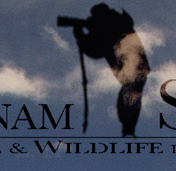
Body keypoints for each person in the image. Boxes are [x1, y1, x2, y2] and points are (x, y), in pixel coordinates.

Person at [57, 4, 150, 137]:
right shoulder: (118, 22)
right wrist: (83, 36)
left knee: (130, 94)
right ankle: (128, 128)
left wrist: (81, 37)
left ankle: (128, 128)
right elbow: (96, 49)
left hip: (133, 66)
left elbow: (95, 50)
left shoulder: (113, 25)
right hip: (137, 67)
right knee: (130, 94)